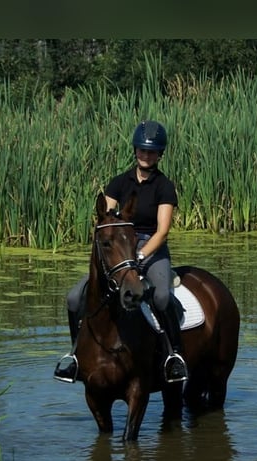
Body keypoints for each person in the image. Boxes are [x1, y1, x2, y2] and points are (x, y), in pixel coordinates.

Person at [53, 119, 189, 385]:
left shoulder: (164, 186)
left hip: (151, 249)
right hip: (119, 247)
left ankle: (175, 356)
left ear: (160, 154)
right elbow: (106, 217)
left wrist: (139, 256)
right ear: (135, 150)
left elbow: (162, 231)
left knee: (161, 297)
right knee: (73, 298)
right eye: (141, 149)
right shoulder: (118, 182)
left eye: (151, 151)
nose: (145, 155)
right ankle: (76, 355)